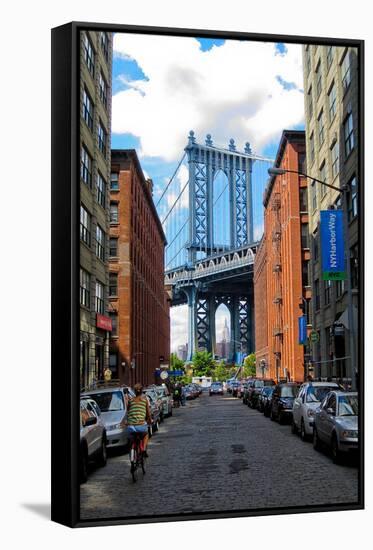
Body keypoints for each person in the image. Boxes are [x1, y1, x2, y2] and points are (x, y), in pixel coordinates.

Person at [126, 383, 152, 456]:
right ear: (141, 391)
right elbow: (148, 413)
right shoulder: (145, 400)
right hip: (141, 425)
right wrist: (149, 420)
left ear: (134, 391)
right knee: (146, 434)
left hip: (131, 426)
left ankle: (132, 449)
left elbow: (128, 412)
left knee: (132, 437)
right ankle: (143, 449)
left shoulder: (130, 400)